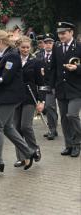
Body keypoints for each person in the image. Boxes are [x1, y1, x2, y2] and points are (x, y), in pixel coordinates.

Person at [0, 30, 38, 174]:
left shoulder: (11, 56)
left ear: (1, 42)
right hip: (6, 96)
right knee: (7, 127)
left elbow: (5, 79)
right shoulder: (5, 54)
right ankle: (29, 152)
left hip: (9, 96)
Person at [49, 22, 81, 158]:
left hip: (76, 89)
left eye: (64, 33)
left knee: (72, 115)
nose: (61, 36)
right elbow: (53, 68)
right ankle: (69, 145)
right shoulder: (56, 47)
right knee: (64, 119)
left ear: (71, 32)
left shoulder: (79, 47)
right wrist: (51, 87)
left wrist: (77, 68)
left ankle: (77, 143)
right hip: (61, 88)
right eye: (59, 34)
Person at [13, 36, 45, 167]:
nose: (25, 49)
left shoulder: (36, 61)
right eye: (23, 47)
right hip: (14, 98)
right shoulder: (13, 59)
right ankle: (21, 157)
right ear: (18, 47)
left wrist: (41, 100)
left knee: (25, 126)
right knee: (16, 128)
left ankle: (34, 149)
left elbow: (42, 83)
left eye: (27, 47)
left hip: (30, 97)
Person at [36, 33, 59, 140]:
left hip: (53, 84)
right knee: (44, 107)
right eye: (46, 43)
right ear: (43, 44)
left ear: (53, 44)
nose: (48, 45)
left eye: (50, 43)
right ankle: (51, 127)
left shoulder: (57, 54)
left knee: (50, 106)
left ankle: (52, 129)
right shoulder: (39, 55)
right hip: (42, 84)